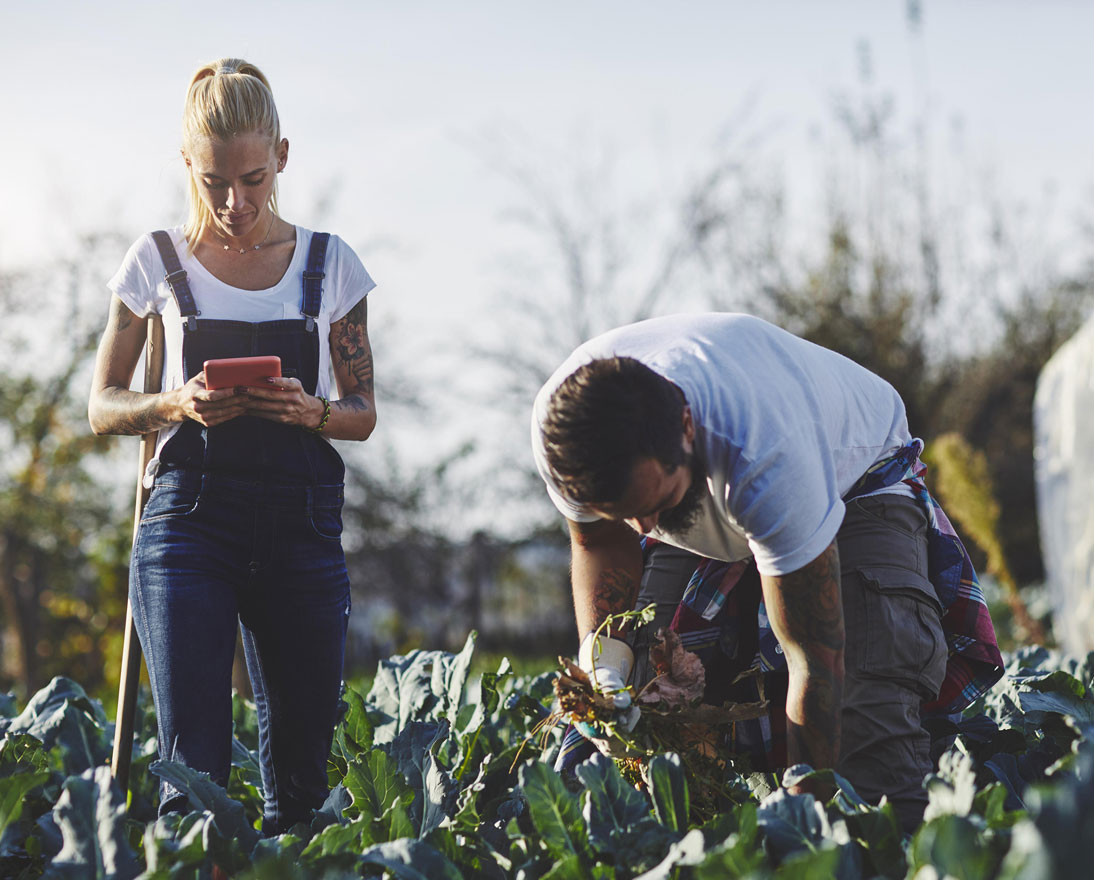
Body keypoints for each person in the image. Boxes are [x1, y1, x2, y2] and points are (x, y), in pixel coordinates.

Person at [531, 312, 1004, 830]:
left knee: (865, 749)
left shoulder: (764, 449)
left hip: (856, 483)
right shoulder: (566, 436)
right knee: (647, 719)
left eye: (656, 503)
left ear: (687, 430)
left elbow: (816, 663)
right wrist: (606, 661)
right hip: (716, 481)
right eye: (622, 510)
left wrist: (804, 815)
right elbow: (598, 539)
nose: (644, 527)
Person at [88, 58, 377, 834]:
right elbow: (101, 404)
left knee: (305, 787)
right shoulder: (156, 261)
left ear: (281, 155)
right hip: (187, 525)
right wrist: (174, 402)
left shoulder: (331, 264)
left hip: (303, 527)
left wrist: (310, 409)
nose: (234, 202)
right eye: (214, 181)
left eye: (252, 178)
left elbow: (363, 412)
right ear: (187, 163)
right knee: (195, 778)